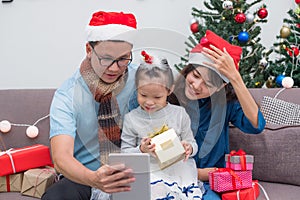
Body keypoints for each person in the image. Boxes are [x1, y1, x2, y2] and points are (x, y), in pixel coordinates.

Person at [42, 11, 139, 200]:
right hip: (84, 177)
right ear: (88, 49)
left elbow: (185, 90)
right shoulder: (67, 94)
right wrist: (94, 179)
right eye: (106, 58)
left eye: (123, 59)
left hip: (134, 174)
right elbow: (61, 159)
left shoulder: (141, 80)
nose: (114, 68)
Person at [168, 30, 266, 200]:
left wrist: (235, 78)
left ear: (220, 88)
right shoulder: (168, 98)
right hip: (171, 180)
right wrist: (196, 173)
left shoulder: (225, 104)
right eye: (195, 75)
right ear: (188, 70)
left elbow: (256, 125)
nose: (196, 86)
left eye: (207, 84)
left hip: (208, 185)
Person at [121, 51, 204, 199]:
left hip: (177, 170)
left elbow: (192, 143)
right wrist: (141, 149)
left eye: (157, 97)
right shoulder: (131, 118)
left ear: (169, 90)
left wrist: (189, 148)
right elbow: (124, 153)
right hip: (147, 172)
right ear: (137, 88)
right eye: (143, 95)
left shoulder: (179, 114)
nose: (149, 102)